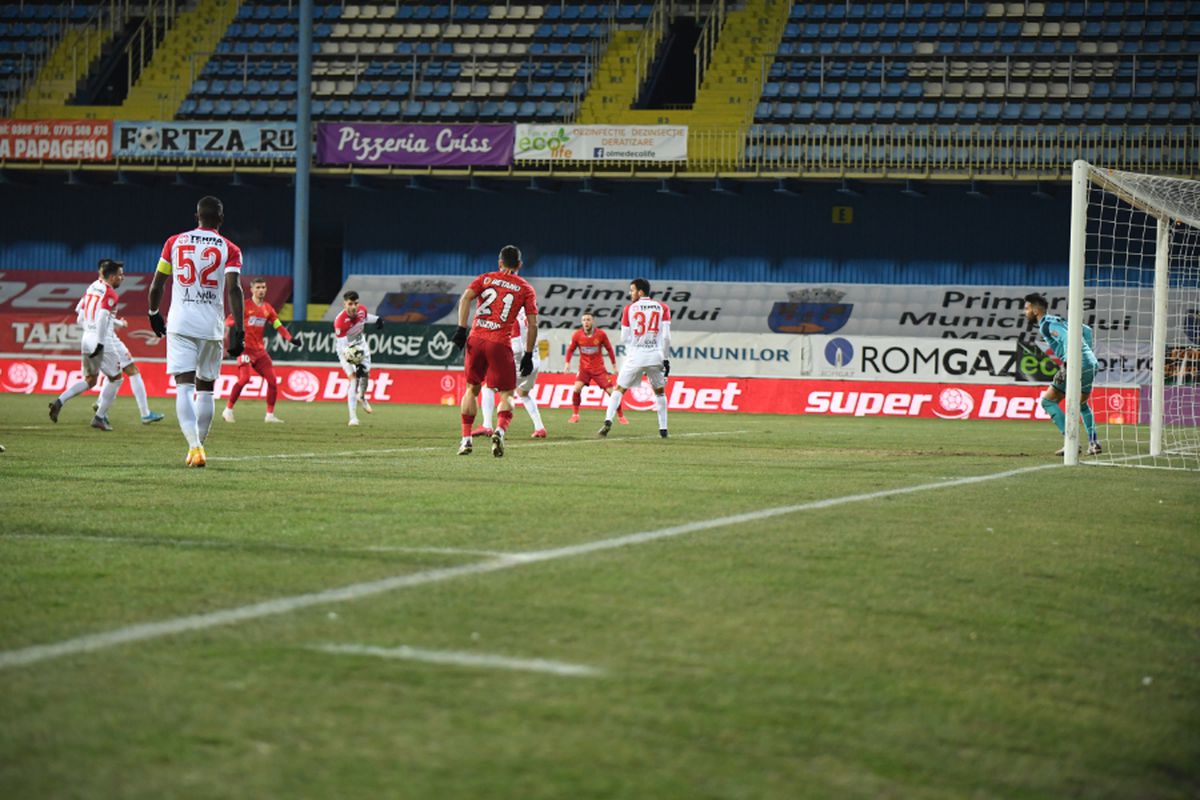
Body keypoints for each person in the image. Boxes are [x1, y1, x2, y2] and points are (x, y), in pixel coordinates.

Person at [147, 196, 245, 468]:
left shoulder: (174, 242)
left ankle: (195, 446)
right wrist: (239, 328)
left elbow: (158, 284)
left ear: (196, 216)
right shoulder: (230, 248)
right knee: (206, 390)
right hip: (211, 327)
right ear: (221, 218)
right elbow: (234, 288)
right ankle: (197, 447)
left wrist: (154, 313)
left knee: (183, 386)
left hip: (181, 324)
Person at [451, 244, 538, 457]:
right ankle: (499, 431)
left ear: (500, 263)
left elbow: (464, 299)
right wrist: (528, 354)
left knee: (472, 389)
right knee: (507, 393)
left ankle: (466, 440)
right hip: (500, 342)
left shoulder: (485, 278)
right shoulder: (525, 288)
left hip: (476, 339)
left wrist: (461, 330)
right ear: (519, 265)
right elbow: (533, 324)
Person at [48, 258, 130, 431]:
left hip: (86, 337)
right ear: (113, 277)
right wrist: (100, 343)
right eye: (121, 275)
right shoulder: (110, 294)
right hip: (102, 340)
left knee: (90, 380)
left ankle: (59, 401)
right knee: (116, 378)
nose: (123, 278)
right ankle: (99, 417)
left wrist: (92, 328)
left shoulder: (92, 287)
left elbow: (79, 312)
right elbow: (101, 317)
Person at [1023, 292, 1102, 455]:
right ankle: (1094, 443)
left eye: (1027, 308)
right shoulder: (1060, 320)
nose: (1025, 312)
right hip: (1090, 362)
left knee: (1047, 402)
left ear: (1036, 310)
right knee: (1082, 404)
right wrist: (1087, 353)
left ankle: (1070, 442)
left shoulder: (1047, 324)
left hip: (1074, 362)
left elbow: (1066, 339)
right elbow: (1086, 330)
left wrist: (1069, 362)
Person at [598, 278, 671, 439]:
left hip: (636, 355)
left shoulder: (629, 309)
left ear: (640, 292)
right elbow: (666, 338)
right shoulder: (663, 307)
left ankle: (608, 419)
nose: (630, 293)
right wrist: (665, 359)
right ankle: (663, 429)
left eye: (632, 290)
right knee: (659, 393)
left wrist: (635, 345)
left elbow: (624, 337)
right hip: (655, 355)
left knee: (619, 390)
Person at [222, 277, 294, 424]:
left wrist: (290, 339)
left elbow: (277, 325)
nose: (261, 290)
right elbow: (228, 321)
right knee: (245, 379)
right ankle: (228, 410)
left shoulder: (268, 309)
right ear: (252, 289)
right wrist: (234, 324)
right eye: (258, 288)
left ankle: (269, 415)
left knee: (273, 381)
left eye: (263, 288)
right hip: (245, 350)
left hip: (260, 352)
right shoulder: (244, 306)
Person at [471, 305, 547, 439]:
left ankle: (487, 426)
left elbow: (516, 346)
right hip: (534, 359)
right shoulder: (528, 312)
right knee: (523, 393)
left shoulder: (512, 314)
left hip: (520, 361)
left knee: (489, 388)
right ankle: (540, 428)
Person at [90, 315, 166, 425]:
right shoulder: (107, 297)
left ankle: (100, 402)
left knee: (113, 373)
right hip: (109, 340)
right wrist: (120, 323)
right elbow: (104, 315)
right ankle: (145, 414)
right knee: (133, 371)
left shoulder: (87, 298)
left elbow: (81, 317)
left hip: (91, 339)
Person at [564, 311, 626, 425]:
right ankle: (575, 415)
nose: (586, 322)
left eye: (588, 320)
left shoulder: (601, 334)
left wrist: (614, 366)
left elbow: (609, 349)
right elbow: (570, 349)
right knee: (576, 388)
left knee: (612, 392)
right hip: (584, 369)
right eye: (584, 320)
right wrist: (567, 363)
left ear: (593, 321)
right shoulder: (577, 335)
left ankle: (621, 415)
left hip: (599, 370)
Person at [333, 290, 384, 427]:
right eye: (350, 304)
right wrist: (355, 362)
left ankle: (362, 396)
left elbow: (365, 318)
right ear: (345, 304)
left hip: (361, 346)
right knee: (354, 379)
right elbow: (345, 348)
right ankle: (353, 417)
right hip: (346, 351)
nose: (354, 307)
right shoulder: (340, 322)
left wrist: (378, 319)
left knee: (365, 375)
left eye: (356, 303)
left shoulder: (362, 310)